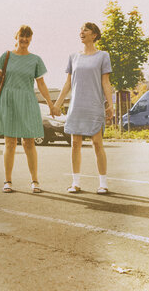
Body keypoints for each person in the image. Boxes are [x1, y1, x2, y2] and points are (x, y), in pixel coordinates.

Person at [0, 25, 59, 193]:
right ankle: (7, 181)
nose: (25, 40)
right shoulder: (6, 56)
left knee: (29, 142)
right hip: (9, 101)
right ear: (16, 37)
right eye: (22, 36)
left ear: (31, 39)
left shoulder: (35, 59)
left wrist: (50, 104)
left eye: (28, 37)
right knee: (10, 142)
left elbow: (41, 84)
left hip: (28, 101)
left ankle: (35, 181)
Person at [54, 22, 114, 194]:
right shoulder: (73, 56)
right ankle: (75, 183)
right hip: (76, 106)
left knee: (97, 143)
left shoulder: (103, 56)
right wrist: (57, 104)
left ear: (94, 34)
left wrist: (110, 104)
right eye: (80, 30)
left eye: (85, 30)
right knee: (75, 143)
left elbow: (105, 82)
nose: (82, 32)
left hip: (94, 105)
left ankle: (103, 183)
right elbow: (67, 83)